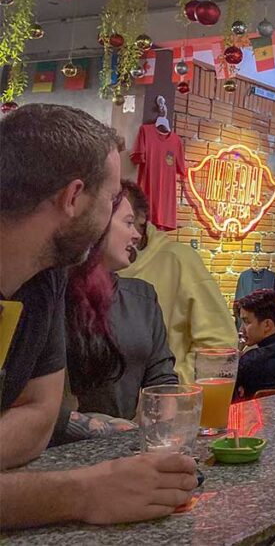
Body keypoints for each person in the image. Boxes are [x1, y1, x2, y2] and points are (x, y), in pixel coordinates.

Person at [0, 104, 196, 529]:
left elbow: (38, 415)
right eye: (110, 201)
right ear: (73, 197)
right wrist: (84, 491)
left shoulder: (44, 278)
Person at [51, 184, 178, 445]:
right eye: (129, 223)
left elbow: (163, 380)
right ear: (97, 224)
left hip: (129, 448)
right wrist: (105, 427)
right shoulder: (49, 293)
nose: (136, 236)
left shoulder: (142, 297)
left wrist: (160, 437)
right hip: (55, 453)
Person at [120, 181, 237, 383]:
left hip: (166, 408)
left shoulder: (178, 260)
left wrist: (171, 388)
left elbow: (220, 345)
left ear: (140, 221)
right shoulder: (86, 270)